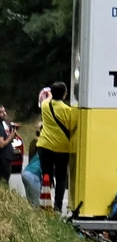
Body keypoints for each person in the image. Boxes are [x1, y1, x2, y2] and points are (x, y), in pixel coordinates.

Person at [34, 83, 80, 213]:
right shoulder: (68, 110)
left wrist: (48, 95)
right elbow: (72, 128)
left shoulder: (45, 105)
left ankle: (45, 203)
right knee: (61, 177)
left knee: (46, 175)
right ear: (65, 94)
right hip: (62, 147)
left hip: (45, 144)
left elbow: (47, 98)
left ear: (52, 93)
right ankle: (58, 207)